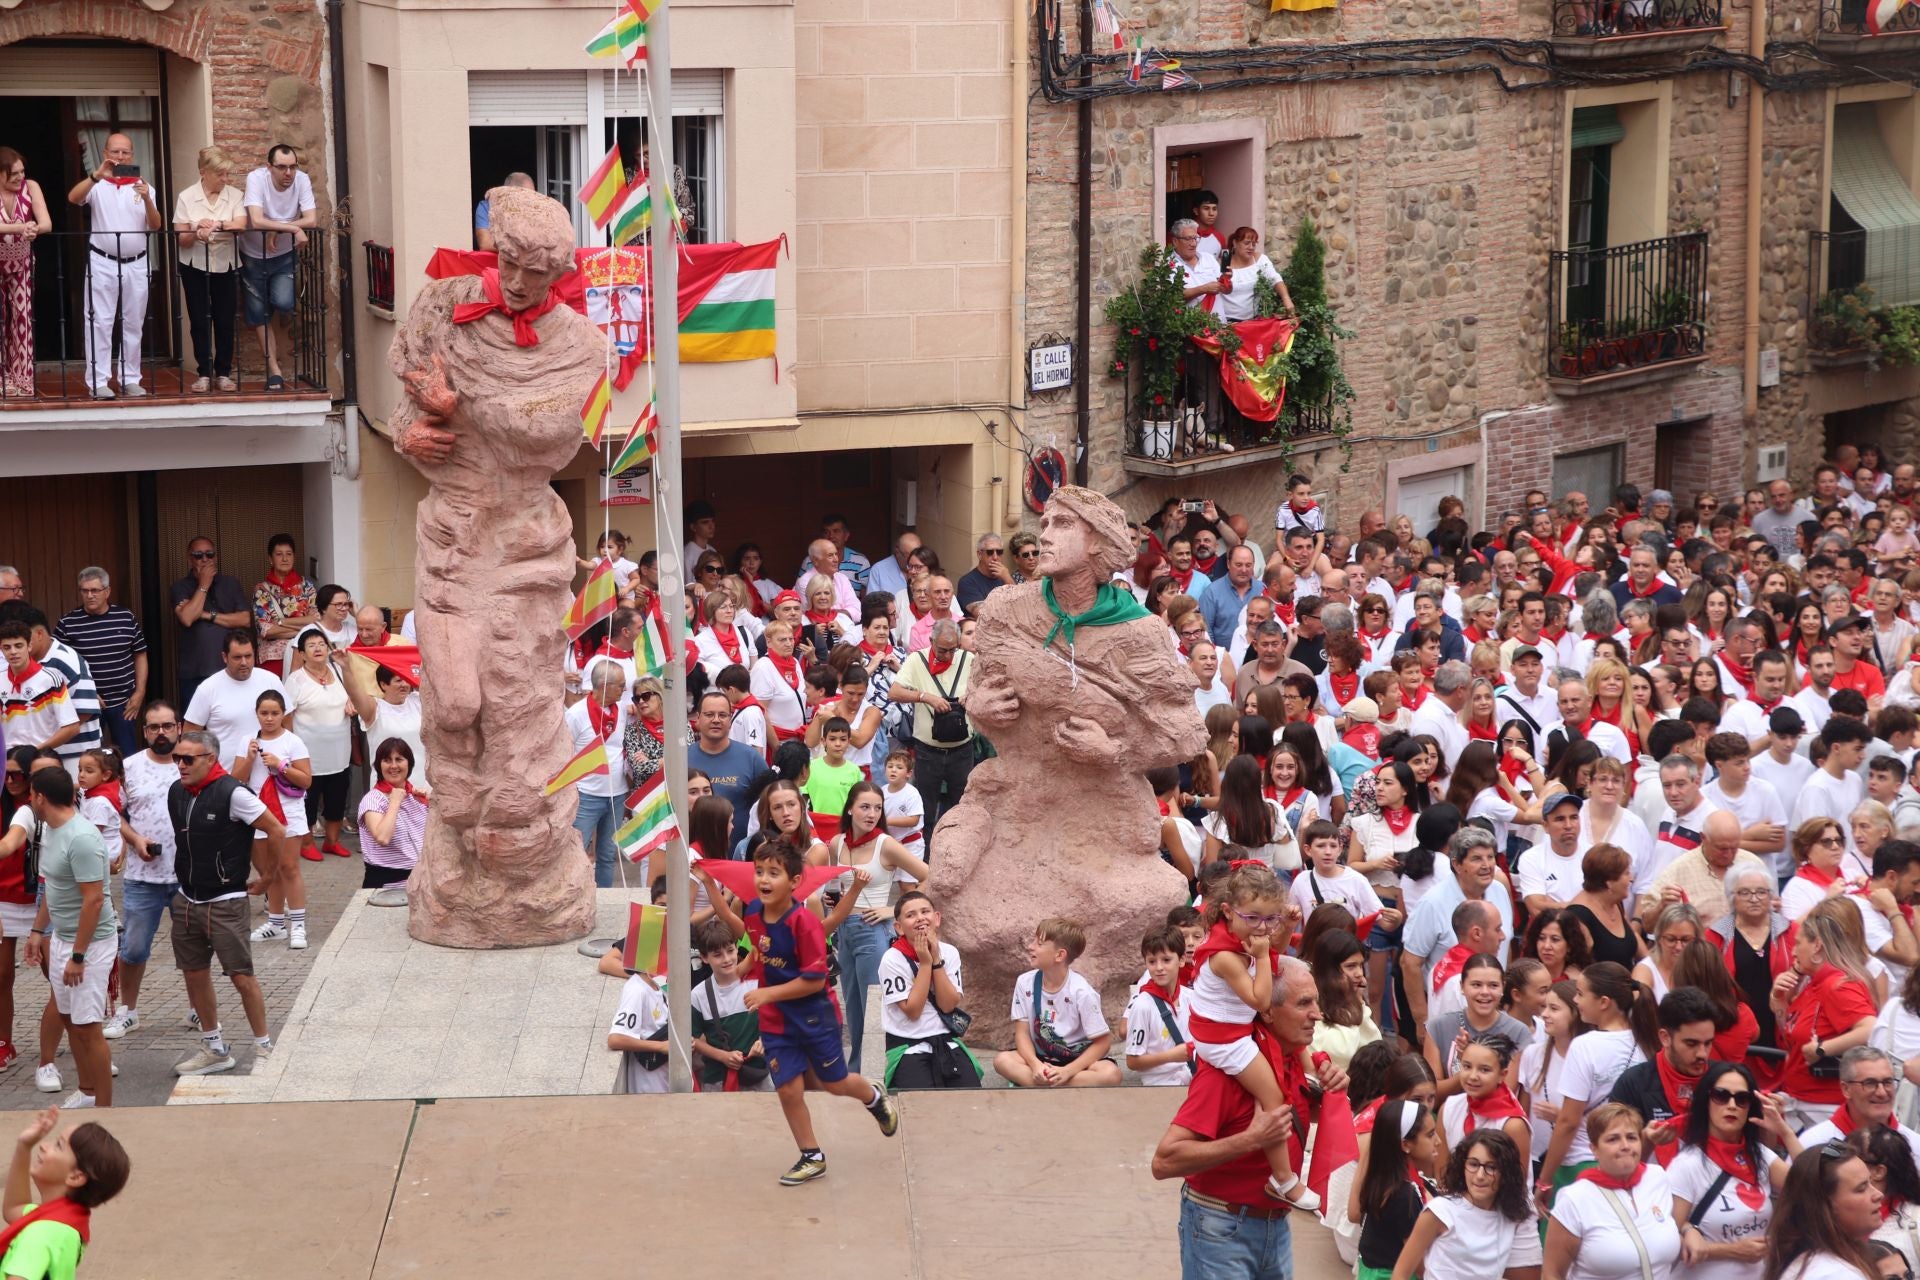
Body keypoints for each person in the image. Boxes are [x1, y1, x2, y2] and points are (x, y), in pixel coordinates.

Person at [698, 838, 901, 1184]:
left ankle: (873, 1096)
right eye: (759, 871)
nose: (763, 879)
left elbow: (813, 980)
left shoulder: (804, 923)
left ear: (794, 881)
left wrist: (767, 993)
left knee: (834, 1084)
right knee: (788, 1090)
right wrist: (744, 969)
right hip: (776, 1021)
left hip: (814, 1017)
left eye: (773, 872)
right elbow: (758, 949)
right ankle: (811, 1156)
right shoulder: (753, 913)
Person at [1151, 953, 1349, 1279]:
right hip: (1220, 1231)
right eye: (1304, 1003)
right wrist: (1251, 1140)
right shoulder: (1224, 1075)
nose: (1317, 1013)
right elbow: (1163, 1162)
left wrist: (1331, 1092)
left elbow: (1298, 1113)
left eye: (1316, 1001)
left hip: (1275, 1227)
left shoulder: (1292, 1059)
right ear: (1267, 1011)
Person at [166, 728, 285, 1076]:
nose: (181, 765)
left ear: (210, 759)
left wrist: (268, 877)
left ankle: (264, 1046)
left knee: (241, 976)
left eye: (188, 759)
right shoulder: (177, 792)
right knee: (194, 973)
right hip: (187, 898)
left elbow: (276, 829)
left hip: (226, 901)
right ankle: (215, 1048)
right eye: (177, 758)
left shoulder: (233, 793)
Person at [20, 769, 117, 1110]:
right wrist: (37, 931)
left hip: (91, 945)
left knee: (88, 1026)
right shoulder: (51, 830)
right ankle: (88, 1091)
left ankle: (106, 1110)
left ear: (40, 797)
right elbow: (55, 886)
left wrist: (78, 956)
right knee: (68, 1018)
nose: (29, 800)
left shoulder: (82, 838)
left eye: (31, 794)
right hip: (62, 937)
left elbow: (94, 901)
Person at [823, 781, 929, 1072]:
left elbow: (929, 876)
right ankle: (856, 1070)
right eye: (865, 807)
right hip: (844, 931)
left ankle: (876, 1071)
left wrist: (893, 910)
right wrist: (833, 899)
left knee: (874, 1006)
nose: (871, 814)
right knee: (853, 1008)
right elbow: (836, 884)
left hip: (873, 932)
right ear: (850, 809)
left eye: (877, 808)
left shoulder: (886, 844)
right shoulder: (837, 843)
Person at [1535, 962, 1660, 1199]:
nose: (1575, 1000)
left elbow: (1568, 1122)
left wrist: (1545, 1180)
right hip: (1634, 1160)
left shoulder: (1585, 1045)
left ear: (1604, 1002)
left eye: (1580, 994)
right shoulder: (1646, 1041)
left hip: (1583, 1161)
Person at [1669, 1061, 1797, 1280]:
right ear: (1706, 1101)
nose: (1732, 1105)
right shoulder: (1686, 1165)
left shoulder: (1760, 1155)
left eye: (1742, 1099)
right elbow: (1666, 1241)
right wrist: (1730, 1251)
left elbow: (1812, 1185)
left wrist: (1785, 1132)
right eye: (1721, 1096)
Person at [1541, 1102, 1683, 1280]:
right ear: (1594, 1149)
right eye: (1613, 1139)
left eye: (1631, 1137)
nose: (1625, 1145)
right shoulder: (1574, 1199)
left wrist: (1690, 1231)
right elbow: (1551, 1274)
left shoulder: (1657, 1178)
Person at [67, 131, 161, 399]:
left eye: (125, 152)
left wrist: (147, 198)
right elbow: (73, 198)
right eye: (115, 152)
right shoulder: (97, 184)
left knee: (134, 323)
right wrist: (97, 175)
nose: (120, 157)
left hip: (137, 262)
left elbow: (155, 225)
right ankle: (98, 382)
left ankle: (130, 378)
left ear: (132, 155)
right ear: (106, 153)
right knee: (99, 322)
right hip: (103, 261)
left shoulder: (144, 186)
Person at [1774, 905, 1882, 1129]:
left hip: (1825, 1108)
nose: (1793, 952)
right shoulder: (1815, 982)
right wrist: (1778, 998)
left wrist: (1823, 1049)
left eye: (1798, 943)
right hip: (1803, 1102)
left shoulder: (1837, 985)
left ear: (1817, 946)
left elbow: (1871, 1028)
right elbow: (1791, 1036)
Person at [0, 1107, 131, 1277]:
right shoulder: (66, 1222)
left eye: (58, 1145)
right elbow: (14, 1209)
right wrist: (24, 1147)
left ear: (75, 1177)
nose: (44, 1146)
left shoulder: (41, 1234)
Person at [994, 916, 1123, 1090]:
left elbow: (1103, 1043)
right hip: (1041, 1058)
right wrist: (1035, 1065)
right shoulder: (1025, 982)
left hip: (1077, 1061)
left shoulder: (1082, 992)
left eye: (1039, 944)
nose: (1030, 946)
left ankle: (1042, 1084)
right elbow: (1022, 1034)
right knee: (1002, 1060)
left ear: (1060, 955)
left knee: (1111, 1074)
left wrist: (1068, 1071)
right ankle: (1058, 1084)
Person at [1389, 1127, 1531, 1280]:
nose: (1480, 1175)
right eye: (1473, 1164)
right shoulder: (1440, 1211)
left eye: (1491, 1167)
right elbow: (1400, 1274)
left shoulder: (1511, 1216)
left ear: (1506, 1173)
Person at [1605, 985, 1719, 1166]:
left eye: (1708, 1043)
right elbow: (1615, 1162)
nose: (1702, 1054)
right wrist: (1647, 1143)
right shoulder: (1634, 1083)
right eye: (1691, 1044)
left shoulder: (1724, 1081)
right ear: (1665, 1038)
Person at [879, 890, 979, 1090]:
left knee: (971, 1096)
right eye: (910, 915)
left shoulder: (950, 952)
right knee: (919, 1101)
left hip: (946, 1041)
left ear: (937, 918)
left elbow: (948, 1005)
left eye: (925, 912)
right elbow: (913, 1011)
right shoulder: (892, 959)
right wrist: (925, 963)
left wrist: (936, 960)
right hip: (908, 1045)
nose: (920, 918)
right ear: (899, 927)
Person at [239, 143, 316, 391]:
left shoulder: (301, 180)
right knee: (259, 315)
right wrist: (292, 227)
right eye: (282, 167)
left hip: (283, 255)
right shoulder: (256, 179)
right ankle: (274, 371)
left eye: (293, 167)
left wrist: (277, 230)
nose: (288, 173)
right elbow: (256, 219)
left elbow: (312, 219)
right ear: (269, 167)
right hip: (252, 254)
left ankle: (267, 305)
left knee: (283, 302)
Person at [239, 688, 310, 950]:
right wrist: (249, 758)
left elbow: (306, 780)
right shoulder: (247, 740)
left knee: (289, 867)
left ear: (283, 714)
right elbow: (237, 778)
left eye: (274, 713)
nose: (269, 718)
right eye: (264, 713)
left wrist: (281, 765)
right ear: (256, 714)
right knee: (270, 870)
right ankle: (276, 924)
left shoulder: (293, 741)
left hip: (288, 811)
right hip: (259, 812)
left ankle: (298, 925)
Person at [171, 144, 246, 392]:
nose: (225, 179)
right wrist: (196, 230)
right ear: (204, 172)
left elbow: (240, 225)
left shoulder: (234, 195)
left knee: (225, 320)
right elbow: (181, 238)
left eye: (226, 173)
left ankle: (223, 373)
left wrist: (215, 225)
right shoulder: (186, 197)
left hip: (226, 264)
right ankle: (203, 372)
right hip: (194, 265)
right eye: (219, 174)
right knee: (199, 320)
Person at [891, 619, 973, 843]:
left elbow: (986, 687)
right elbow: (894, 692)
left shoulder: (968, 659)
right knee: (925, 811)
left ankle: (958, 851)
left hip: (962, 750)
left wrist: (971, 696)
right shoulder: (917, 660)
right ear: (931, 641)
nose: (947, 655)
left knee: (962, 808)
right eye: (942, 650)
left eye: (953, 649)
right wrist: (925, 697)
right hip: (928, 751)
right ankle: (924, 856)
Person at [54, 568, 147, 759]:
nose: (90, 595)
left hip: (124, 703)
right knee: (89, 758)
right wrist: (88, 695)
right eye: (85, 590)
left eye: (95, 590)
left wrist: (140, 692)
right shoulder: (67, 623)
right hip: (86, 705)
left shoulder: (125, 617)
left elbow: (140, 654)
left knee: (128, 757)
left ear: (107, 591)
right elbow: (57, 664)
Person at [1762, 1143, 1886, 1280]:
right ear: (1826, 1205)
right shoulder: (1833, 1274)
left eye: (1871, 1183)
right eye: (1861, 1188)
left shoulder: (1827, 1264)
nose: (1878, 1194)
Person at [1354, 1099, 1444, 1280]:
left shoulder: (1386, 1177)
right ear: (1406, 1144)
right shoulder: (1403, 1195)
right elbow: (1419, 1265)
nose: (1439, 1141)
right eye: (1430, 1135)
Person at [564, 660, 628, 889]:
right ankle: (573, 896)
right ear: (605, 685)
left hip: (616, 794)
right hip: (586, 794)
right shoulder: (576, 714)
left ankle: (604, 896)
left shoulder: (621, 710)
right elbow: (564, 752)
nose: (624, 690)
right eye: (621, 685)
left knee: (608, 854)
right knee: (576, 852)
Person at [169, 539, 251, 713]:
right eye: (198, 555)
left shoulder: (231, 583)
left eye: (209, 554)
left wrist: (206, 615)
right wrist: (204, 585)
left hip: (230, 669)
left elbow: (245, 619)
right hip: (195, 671)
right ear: (189, 558)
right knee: (195, 723)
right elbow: (187, 618)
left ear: (216, 557)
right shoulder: (180, 587)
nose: (205, 559)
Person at [689, 689, 772, 848]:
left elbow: (769, 805)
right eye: (709, 714)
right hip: (693, 855)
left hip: (741, 854)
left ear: (730, 718)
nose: (716, 720)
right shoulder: (681, 760)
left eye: (722, 715)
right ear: (698, 718)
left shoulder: (751, 758)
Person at [0, 146, 51, 398]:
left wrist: (34, 229)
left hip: (22, 262)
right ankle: (2, 378)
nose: (20, 176)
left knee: (22, 320)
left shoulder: (31, 187)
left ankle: (22, 378)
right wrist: (22, 226)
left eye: (22, 171)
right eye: (13, 173)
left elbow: (46, 223)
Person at [357, 738, 425, 889]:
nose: (393, 766)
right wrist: (394, 803)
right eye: (387, 760)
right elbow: (383, 837)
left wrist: (434, 803)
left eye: (399, 759)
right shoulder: (373, 799)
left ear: (409, 764)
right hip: (387, 886)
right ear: (379, 766)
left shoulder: (417, 798)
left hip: (422, 883)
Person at [250, 534, 318, 676]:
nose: (285, 559)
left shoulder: (307, 587)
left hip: (305, 653)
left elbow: (316, 622)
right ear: (270, 559)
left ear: (294, 557)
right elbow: (265, 630)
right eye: (279, 554)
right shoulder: (261, 590)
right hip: (273, 658)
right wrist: (303, 627)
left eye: (289, 554)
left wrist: (281, 622)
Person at [1214, 226, 1293, 323]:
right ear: (1235, 243)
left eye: (1254, 244)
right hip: (1227, 323)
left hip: (1253, 321)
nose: (1251, 247)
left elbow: (1275, 278)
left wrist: (1286, 298)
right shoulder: (1221, 264)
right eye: (1246, 243)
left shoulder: (1259, 260)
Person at [473, 170, 533, 252]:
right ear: (510, 193)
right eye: (527, 196)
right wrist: (522, 247)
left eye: (534, 195)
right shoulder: (487, 206)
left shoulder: (536, 210)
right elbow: (485, 244)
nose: (532, 200)